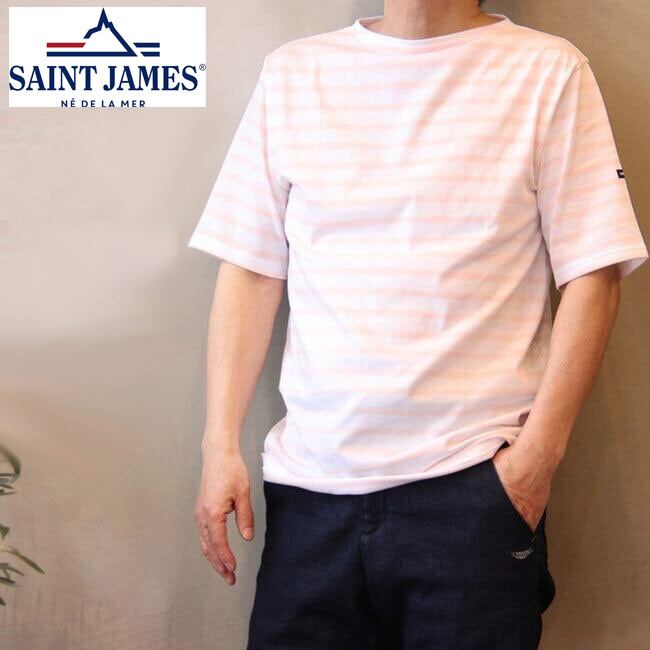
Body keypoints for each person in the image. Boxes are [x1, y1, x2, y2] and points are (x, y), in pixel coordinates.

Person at [188, 1, 649, 647]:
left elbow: (594, 275)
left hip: (474, 491)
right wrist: (219, 448)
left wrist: (534, 464)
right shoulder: (295, 72)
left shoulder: (548, 69)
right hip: (310, 493)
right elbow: (251, 270)